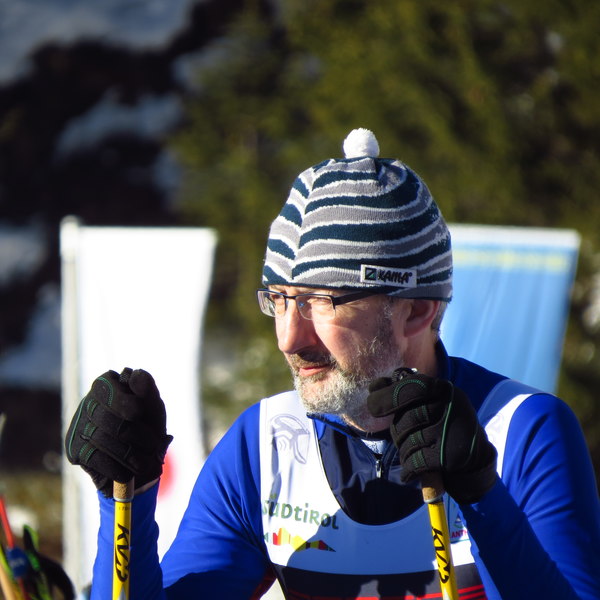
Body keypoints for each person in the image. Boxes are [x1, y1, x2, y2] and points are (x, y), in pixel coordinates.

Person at [65, 128, 600, 600]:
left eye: (322, 302)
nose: (289, 338)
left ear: (416, 310)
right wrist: (126, 502)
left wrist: (481, 493)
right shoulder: (263, 446)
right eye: (278, 301)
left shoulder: (520, 431)